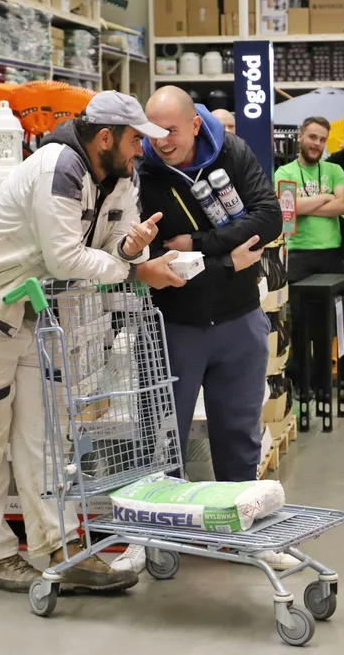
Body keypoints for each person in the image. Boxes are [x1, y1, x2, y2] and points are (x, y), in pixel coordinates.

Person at [0, 91, 185, 594]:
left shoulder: (121, 176)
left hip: (32, 313)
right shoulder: (59, 167)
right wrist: (133, 268)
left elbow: (110, 245)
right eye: (136, 139)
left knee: (46, 438)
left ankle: (60, 547)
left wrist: (130, 247)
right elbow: (67, 257)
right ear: (105, 137)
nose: (142, 151)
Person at [138, 86, 282, 490]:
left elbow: (270, 219)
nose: (161, 142)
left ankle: (242, 531)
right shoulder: (141, 171)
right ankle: (156, 542)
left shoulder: (230, 151)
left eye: (171, 130)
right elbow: (154, 259)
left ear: (195, 124)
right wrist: (227, 261)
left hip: (239, 320)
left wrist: (198, 246)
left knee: (239, 436)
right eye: (152, 132)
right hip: (174, 325)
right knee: (163, 441)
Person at [273, 116, 344, 282]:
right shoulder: (285, 172)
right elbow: (288, 209)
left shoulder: (334, 170)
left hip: (332, 252)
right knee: (301, 307)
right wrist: (327, 197)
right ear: (300, 137)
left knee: (338, 306)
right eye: (313, 137)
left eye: (322, 139)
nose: (317, 143)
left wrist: (303, 206)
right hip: (297, 252)